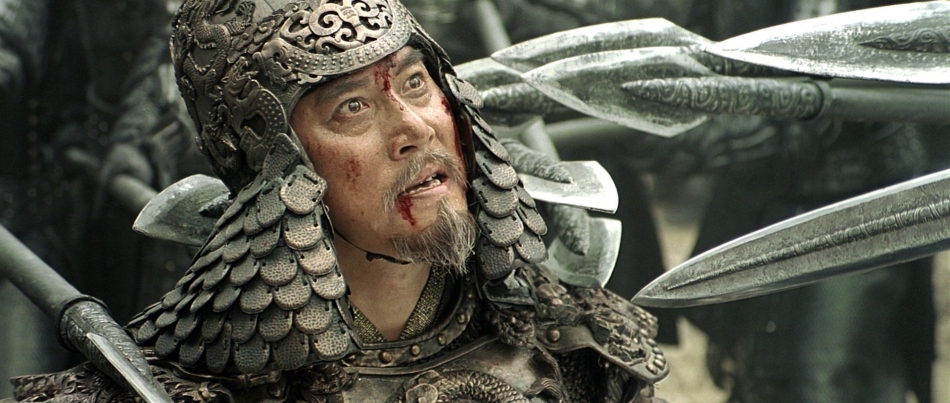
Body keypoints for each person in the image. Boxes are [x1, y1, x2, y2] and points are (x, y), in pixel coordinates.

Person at [7, 0, 669, 402]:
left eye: (416, 83)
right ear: (276, 162)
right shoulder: (166, 385)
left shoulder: (577, 349)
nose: (413, 128)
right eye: (352, 107)